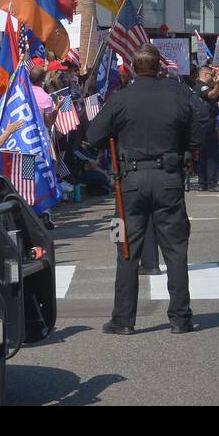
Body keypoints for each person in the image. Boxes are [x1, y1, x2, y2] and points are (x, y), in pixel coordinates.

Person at [85, 44, 203, 335]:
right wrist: (187, 149)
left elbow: (93, 136)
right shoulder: (178, 94)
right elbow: (202, 119)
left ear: (132, 69)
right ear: (159, 66)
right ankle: (180, 318)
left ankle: (123, 319)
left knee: (125, 249)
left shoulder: (121, 98)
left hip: (131, 182)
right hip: (168, 177)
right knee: (175, 249)